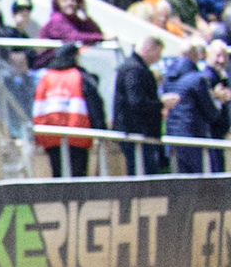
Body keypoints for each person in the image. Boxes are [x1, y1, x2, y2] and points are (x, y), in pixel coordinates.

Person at [32, 43, 105, 179]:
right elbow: (94, 105)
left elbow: (37, 107)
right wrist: (101, 129)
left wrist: (37, 136)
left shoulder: (46, 78)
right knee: (78, 177)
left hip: (51, 135)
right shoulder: (80, 76)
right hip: (78, 134)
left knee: (58, 175)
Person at [165, 39, 229, 175]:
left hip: (173, 137)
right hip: (195, 137)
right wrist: (219, 100)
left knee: (181, 181)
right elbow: (211, 113)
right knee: (203, 182)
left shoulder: (169, 77)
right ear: (198, 55)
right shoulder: (199, 79)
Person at [112, 35, 166, 176]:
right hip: (137, 132)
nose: (158, 58)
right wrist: (161, 104)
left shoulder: (134, 67)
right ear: (149, 49)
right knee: (144, 173)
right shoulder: (134, 70)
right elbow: (136, 102)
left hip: (137, 132)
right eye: (158, 53)